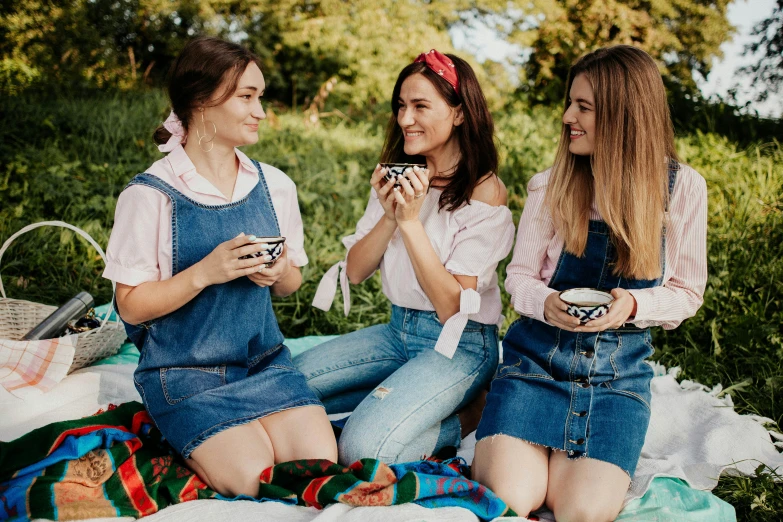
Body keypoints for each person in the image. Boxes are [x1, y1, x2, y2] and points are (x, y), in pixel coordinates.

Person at [471, 45, 708, 521]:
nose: (566, 117)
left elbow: (687, 292)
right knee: (513, 501)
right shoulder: (550, 184)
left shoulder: (683, 189)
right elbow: (517, 277)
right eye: (570, 103)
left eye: (584, 107)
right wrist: (546, 301)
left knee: (579, 512)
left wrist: (633, 306)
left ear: (625, 114)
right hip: (535, 367)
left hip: (615, 380)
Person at [103, 36, 337, 498]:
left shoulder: (275, 185)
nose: (261, 112)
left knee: (318, 470)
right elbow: (129, 307)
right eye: (246, 97)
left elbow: (292, 284)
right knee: (254, 480)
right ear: (201, 102)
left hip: (264, 366)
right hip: (183, 374)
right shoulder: (150, 195)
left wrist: (278, 273)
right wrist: (204, 272)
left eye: (260, 97)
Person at [295, 50, 515, 465]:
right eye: (400, 106)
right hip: (397, 331)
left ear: (459, 113)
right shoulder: (399, 174)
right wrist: (390, 214)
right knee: (283, 388)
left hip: (458, 345)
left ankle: (469, 414)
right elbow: (357, 272)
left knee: (363, 449)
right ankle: (397, 396)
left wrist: (411, 223)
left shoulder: (485, 193)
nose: (405, 119)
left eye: (420, 106)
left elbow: (453, 307)